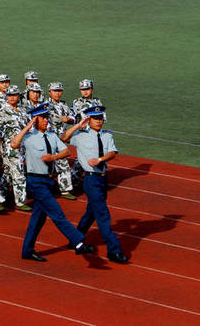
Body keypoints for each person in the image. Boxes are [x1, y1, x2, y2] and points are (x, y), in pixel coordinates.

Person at [11, 104, 94, 262]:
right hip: (36, 181)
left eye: (46, 117)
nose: (46, 120)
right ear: (35, 120)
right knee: (57, 213)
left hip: (49, 180)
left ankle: (27, 251)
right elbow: (14, 144)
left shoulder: (51, 135)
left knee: (38, 219)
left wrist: (53, 158)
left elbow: (66, 151)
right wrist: (27, 127)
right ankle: (78, 242)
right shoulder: (28, 137)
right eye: (42, 117)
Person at [61, 105, 128, 264]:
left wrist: (100, 160)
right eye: (95, 118)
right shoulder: (81, 135)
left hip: (103, 178)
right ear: (89, 119)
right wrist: (78, 125)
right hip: (91, 179)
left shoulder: (107, 136)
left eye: (100, 118)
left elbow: (112, 152)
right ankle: (114, 250)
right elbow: (64, 138)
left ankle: (75, 239)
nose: (99, 121)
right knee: (103, 215)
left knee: (91, 212)